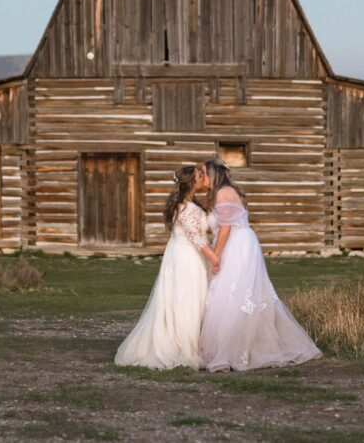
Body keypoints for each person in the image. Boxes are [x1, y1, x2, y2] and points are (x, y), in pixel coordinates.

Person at [196, 158, 322, 371]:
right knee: (235, 294)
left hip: (237, 245)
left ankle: (237, 349)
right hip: (239, 242)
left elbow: (225, 228)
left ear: (213, 175)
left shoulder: (222, 193)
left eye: (204, 174)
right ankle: (240, 345)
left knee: (235, 294)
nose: (202, 178)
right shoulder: (224, 192)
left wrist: (215, 256)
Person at [114, 166, 220, 369]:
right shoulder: (185, 208)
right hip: (185, 258)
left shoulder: (190, 204)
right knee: (185, 300)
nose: (202, 178)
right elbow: (196, 238)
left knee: (194, 298)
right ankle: (182, 345)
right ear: (190, 182)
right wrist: (214, 258)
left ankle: (195, 342)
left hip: (189, 256)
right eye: (199, 176)